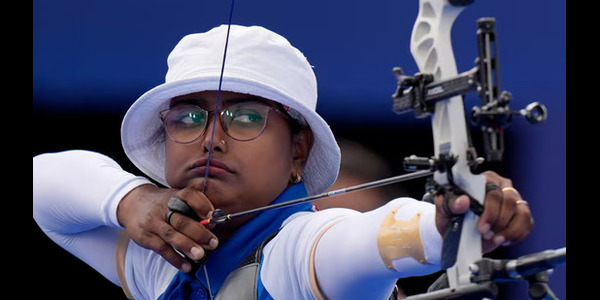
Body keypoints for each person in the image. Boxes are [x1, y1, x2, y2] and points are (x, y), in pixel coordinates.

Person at [32, 24, 534, 300]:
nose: (210, 140)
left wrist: (446, 221)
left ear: (298, 150)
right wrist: (130, 200)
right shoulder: (159, 262)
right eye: (187, 117)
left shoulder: (300, 252)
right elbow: (42, 181)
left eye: (245, 117)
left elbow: (364, 240)